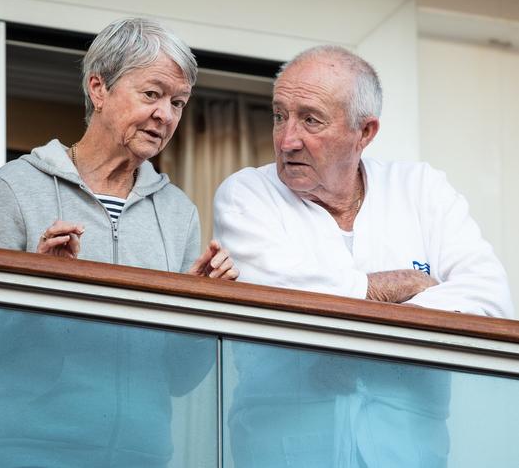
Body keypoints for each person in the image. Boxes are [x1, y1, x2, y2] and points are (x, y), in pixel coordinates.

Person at [0, 17, 237, 468]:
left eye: (178, 102)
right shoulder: (16, 187)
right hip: (25, 452)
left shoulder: (179, 213)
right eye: (152, 94)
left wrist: (202, 308)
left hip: (140, 457)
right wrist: (35, 279)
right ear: (98, 89)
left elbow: (180, 378)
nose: (166, 115)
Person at [214, 46, 514, 467]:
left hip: (407, 456)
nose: (286, 139)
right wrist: (405, 287)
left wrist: (345, 340)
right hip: (283, 452)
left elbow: (490, 303)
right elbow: (284, 298)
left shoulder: (423, 188)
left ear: (365, 132)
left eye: (310, 119)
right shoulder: (247, 194)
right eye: (280, 115)